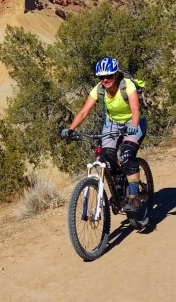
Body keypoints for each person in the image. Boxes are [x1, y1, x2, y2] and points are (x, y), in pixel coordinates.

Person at [60, 57, 147, 212]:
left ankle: (134, 197)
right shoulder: (98, 89)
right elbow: (84, 111)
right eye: (101, 77)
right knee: (107, 158)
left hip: (134, 122)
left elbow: (135, 110)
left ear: (115, 74)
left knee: (126, 155)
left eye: (109, 76)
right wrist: (71, 129)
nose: (105, 79)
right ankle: (119, 191)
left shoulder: (127, 86)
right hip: (112, 124)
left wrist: (133, 127)